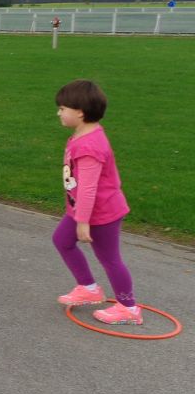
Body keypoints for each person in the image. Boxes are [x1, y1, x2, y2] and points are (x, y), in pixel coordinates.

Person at [52, 79, 141, 325]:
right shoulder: (84, 135)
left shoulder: (89, 146)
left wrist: (83, 222)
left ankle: (129, 308)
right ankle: (89, 288)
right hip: (81, 208)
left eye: (62, 108)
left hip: (101, 213)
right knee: (61, 240)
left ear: (80, 112)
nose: (59, 112)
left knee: (110, 259)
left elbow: (89, 188)